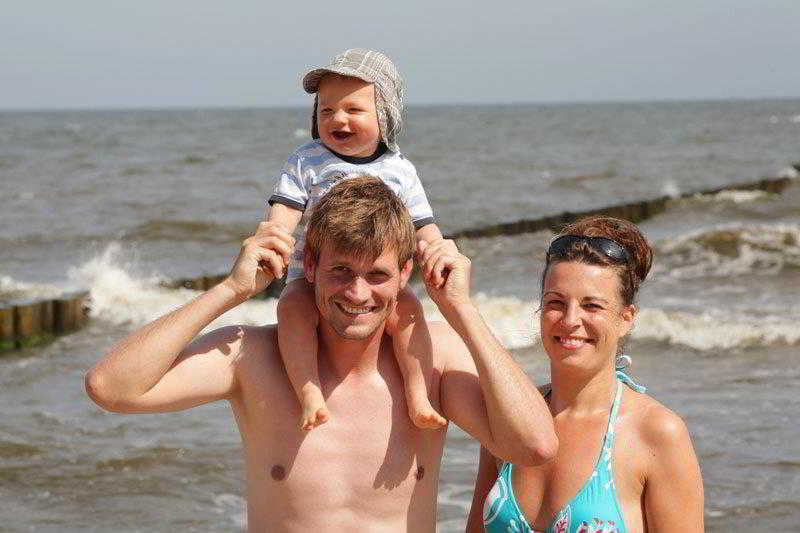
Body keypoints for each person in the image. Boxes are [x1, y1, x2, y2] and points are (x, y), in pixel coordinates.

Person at [85, 176, 557, 532]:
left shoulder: (433, 358)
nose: (357, 293)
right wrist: (231, 290)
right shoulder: (252, 357)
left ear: (404, 273)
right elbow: (111, 388)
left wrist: (462, 310)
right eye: (340, 271)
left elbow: (533, 446)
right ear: (309, 266)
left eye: (377, 275)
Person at [467, 216, 704, 533]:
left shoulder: (656, 432)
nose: (570, 320)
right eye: (556, 302)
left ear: (626, 318)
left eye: (591, 306)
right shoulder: (510, 416)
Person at [264, 48, 451, 431]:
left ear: (385, 116)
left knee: (409, 312)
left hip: (376, 276)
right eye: (327, 110)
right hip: (313, 275)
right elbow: (285, 208)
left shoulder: (400, 169)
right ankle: (309, 391)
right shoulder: (307, 160)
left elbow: (423, 224)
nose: (338, 119)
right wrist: (274, 237)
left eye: (353, 109)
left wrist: (439, 251)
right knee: (292, 309)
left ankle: (418, 394)